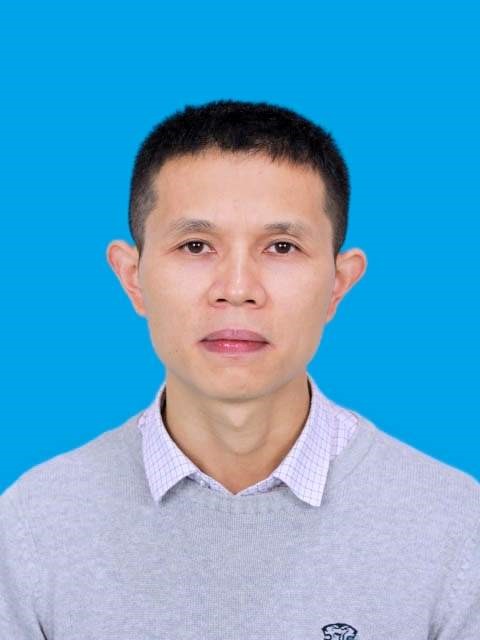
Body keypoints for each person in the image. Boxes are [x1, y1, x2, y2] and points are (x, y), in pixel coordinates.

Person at [1, 99, 478, 639]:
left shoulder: (455, 526)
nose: (237, 289)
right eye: (196, 245)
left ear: (338, 283)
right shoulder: (32, 526)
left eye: (281, 247)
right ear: (133, 277)